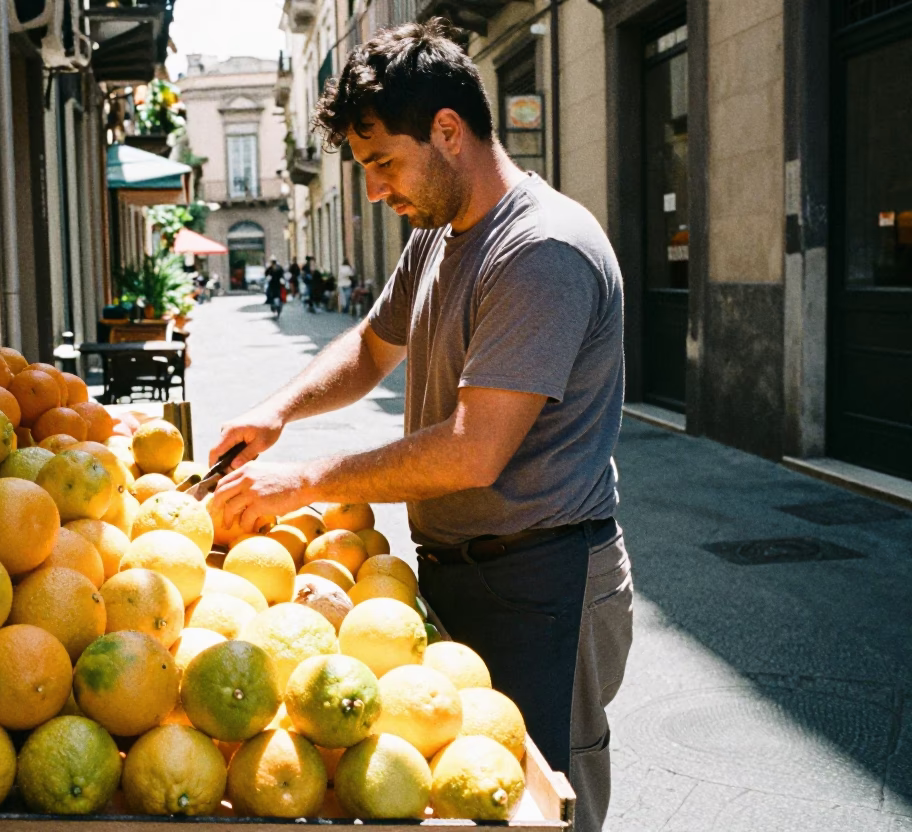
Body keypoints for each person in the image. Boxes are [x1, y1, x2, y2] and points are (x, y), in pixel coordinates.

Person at [206, 19, 631, 832]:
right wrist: (277, 412)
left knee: (539, 806)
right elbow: (371, 348)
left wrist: (304, 481)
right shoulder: (439, 234)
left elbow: (475, 450)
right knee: (463, 803)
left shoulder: (540, 251)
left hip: (546, 580)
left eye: (382, 163)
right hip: (460, 570)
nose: (373, 189)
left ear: (448, 131)